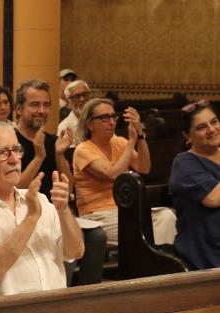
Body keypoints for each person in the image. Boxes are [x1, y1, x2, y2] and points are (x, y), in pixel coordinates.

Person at [0, 120, 84, 298]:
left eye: (16, 150)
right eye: (2, 152)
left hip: (56, 309)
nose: (14, 159)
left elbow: (75, 251)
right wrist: (31, 218)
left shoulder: (40, 199)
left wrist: (63, 211)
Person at [14, 79, 105, 286]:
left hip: (55, 209)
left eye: (46, 105)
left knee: (97, 236)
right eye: (35, 105)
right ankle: (60, 294)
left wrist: (60, 155)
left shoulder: (52, 140)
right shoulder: (10, 141)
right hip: (23, 211)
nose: (41, 110)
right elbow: (15, 188)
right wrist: (38, 157)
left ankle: (87, 296)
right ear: (19, 109)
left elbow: (69, 186)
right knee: (61, 239)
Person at [73, 98, 176, 246]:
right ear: (90, 124)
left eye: (113, 116)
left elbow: (144, 167)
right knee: (143, 228)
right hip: (96, 216)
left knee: (167, 216)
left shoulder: (119, 142)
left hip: (124, 210)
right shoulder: (83, 150)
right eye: (104, 118)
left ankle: (160, 262)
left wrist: (140, 136)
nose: (111, 122)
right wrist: (131, 142)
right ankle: (154, 264)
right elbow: (112, 175)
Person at [169, 100, 220, 269]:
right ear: (187, 136)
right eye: (201, 127)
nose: (212, 129)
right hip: (207, 248)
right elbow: (213, 198)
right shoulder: (184, 163)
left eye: (214, 122)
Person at [57, 80, 92, 147]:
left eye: (85, 94)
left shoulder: (99, 118)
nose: (82, 99)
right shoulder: (64, 127)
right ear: (68, 101)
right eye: (76, 96)